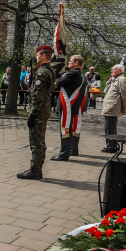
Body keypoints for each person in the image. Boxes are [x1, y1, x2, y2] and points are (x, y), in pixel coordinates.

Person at [17, 46, 58, 180]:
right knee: (40, 140)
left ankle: (34, 169)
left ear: (43, 56)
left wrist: (33, 114)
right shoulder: (50, 70)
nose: (36, 57)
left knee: (36, 141)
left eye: (38, 55)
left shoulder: (42, 72)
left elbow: (38, 95)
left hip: (39, 110)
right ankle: (37, 168)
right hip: (44, 108)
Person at [51, 55, 87, 161]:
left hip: (67, 104)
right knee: (67, 129)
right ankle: (66, 152)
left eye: (70, 61)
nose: (68, 63)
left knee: (65, 129)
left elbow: (58, 83)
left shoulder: (73, 73)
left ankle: (64, 154)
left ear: (76, 63)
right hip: (71, 105)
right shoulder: (78, 74)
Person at [102, 64, 126, 152]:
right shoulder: (115, 79)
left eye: (114, 69)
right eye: (112, 69)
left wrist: (124, 108)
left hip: (112, 107)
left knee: (110, 128)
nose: (111, 71)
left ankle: (112, 146)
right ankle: (110, 145)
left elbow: (125, 95)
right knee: (109, 127)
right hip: (109, 107)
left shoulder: (122, 79)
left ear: (120, 71)